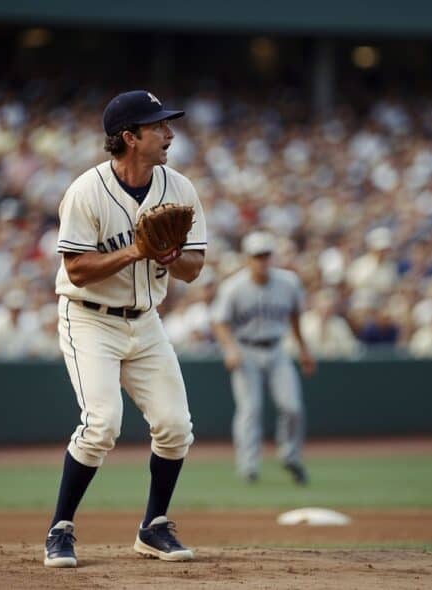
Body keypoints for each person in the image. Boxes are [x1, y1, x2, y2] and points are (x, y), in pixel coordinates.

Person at [44, 90, 207, 568]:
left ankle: (154, 527)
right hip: (90, 318)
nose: (169, 134)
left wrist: (170, 255)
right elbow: (75, 270)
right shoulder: (85, 191)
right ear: (129, 138)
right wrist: (137, 251)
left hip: (146, 321)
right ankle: (60, 528)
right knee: (102, 425)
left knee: (176, 427)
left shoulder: (180, 188)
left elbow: (194, 268)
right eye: (158, 127)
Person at [210, 231, 315, 485]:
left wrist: (303, 349)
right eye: (257, 256)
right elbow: (219, 322)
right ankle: (249, 468)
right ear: (247, 259)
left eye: (266, 255)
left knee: (292, 406)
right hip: (246, 349)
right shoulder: (234, 286)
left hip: (277, 348)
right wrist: (230, 348)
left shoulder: (288, 282)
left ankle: (290, 457)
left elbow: (295, 316)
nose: (262, 261)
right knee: (250, 409)